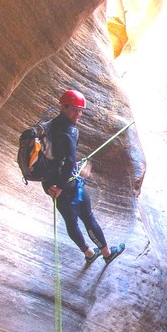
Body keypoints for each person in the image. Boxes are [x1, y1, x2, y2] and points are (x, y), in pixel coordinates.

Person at [43, 89, 125, 265]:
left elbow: (56, 156)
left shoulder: (50, 125)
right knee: (88, 218)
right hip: (67, 187)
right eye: (74, 109)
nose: (78, 114)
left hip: (50, 183)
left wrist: (53, 185)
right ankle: (106, 253)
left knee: (70, 222)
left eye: (80, 110)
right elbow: (70, 163)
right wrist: (65, 184)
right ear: (63, 107)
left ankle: (89, 253)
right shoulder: (70, 131)